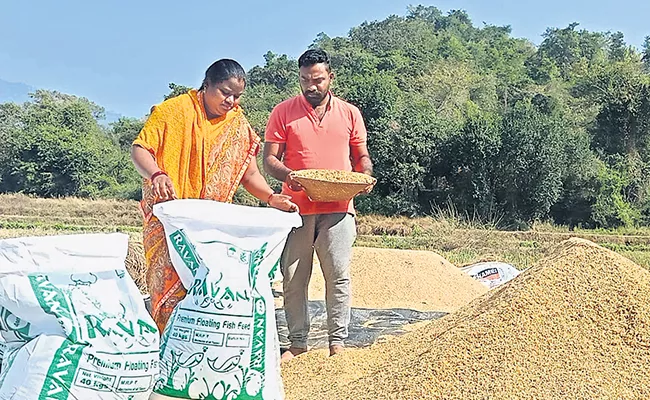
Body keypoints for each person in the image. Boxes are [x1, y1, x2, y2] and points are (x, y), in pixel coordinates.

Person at [131, 59, 298, 334]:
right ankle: (167, 353)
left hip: (208, 228)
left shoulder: (237, 126)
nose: (231, 101)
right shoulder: (173, 112)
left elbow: (250, 174)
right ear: (206, 85)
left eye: (237, 96)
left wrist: (271, 197)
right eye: (225, 92)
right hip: (168, 221)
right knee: (167, 291)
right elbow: (140, 149)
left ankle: (201, 352)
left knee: (206, 292)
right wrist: (157, 174)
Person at [263, 48, 374, 361]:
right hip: (296, 208)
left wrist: (364, 175)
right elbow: (270, 159)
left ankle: (337, 342)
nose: (311, 86)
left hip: (339, 206)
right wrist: (290, 176)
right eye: (304, 80)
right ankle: (297, 343)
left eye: (318, 80)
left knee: (337, 274)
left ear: (330, 78)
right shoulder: (283, 112)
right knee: (294, 277)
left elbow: (360, 155)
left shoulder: (350, 113)